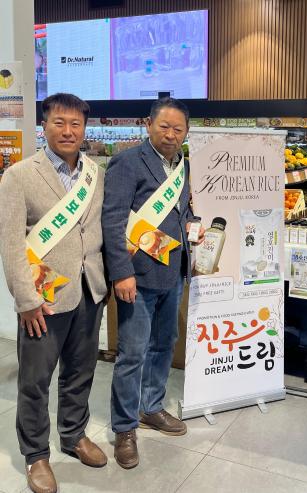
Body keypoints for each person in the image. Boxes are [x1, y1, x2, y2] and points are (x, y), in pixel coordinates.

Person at [0, 93, 108, 493]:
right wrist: (26, 300)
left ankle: (74, 435)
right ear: (44, 125)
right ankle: (36, 455)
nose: (68, 131)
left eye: (75, 124)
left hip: (89, 290)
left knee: (81, 373)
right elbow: (11, 243)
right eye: (59, 122)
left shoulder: (95, 173)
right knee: (35, 380)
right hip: (43, 299)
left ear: (84, 129)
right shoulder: (19, 176)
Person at [102, 97, 204, 469]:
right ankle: (124, 428)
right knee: (132, 354)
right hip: (137, 276)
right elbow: (112, 221)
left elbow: (183, 210)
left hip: (172, 271)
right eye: (164, 127)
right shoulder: (127, 162)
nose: (171, 135)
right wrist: (120, 273)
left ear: (186, 132)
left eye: (178, 129)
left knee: (164, 344)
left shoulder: (184, 166)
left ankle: (151, 406)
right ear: (148, 125)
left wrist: (193, 225)